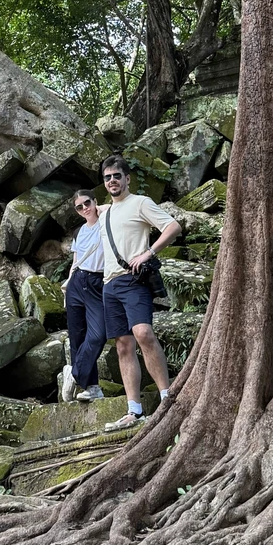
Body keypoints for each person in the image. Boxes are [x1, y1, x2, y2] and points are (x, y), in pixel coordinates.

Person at [98, 153, 181, 429]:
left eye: (116, 176)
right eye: (107, 177)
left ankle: (167, 398)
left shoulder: (140, 203)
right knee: (123, 345)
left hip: (133, 279)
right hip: (110, 285)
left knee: (143, 333)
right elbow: (85, 209)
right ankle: (134, 411)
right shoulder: (105, 213)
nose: (112, 181)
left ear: (127, 179)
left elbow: (173, 226)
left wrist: (149, 252)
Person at [61, 189, 107, 403]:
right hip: (77, 282)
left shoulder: (106, 221)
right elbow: (76, 261)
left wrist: (101, 208)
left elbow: (112, 209)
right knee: (77, 337)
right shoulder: (79, 231)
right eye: (79, 207)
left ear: (95, 201)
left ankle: (74, 372)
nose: (84, 208)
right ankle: (92, 387)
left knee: (98, 334)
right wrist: (69, 285)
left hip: (97, 282)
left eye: (87, 203)